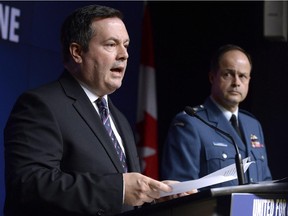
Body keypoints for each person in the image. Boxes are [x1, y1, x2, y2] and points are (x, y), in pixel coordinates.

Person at [4, 5, 194, 216]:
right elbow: (29, 185)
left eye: (126, 45)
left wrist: (155, 196)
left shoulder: (119, 119)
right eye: (111, 44)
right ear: (77, 52)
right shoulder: (41, 105)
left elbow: (123, 200)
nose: (124, 55)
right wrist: (120, 190)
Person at [161, 44, 272, 187]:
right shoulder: (190, 123)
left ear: (249, 80)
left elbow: (266, 182)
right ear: (212, 77)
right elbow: (181, 190)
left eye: (242, 76)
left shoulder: (253, 125)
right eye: (228, 74)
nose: (236, 83)